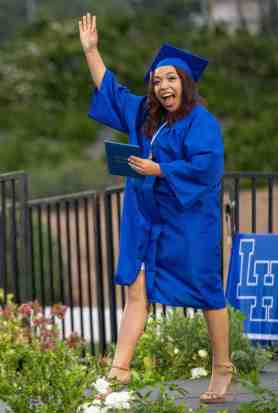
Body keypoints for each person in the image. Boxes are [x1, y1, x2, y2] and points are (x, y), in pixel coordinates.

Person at [79, 14, 233, 403]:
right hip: (144, 218)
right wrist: (92, 51)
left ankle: (222, 367)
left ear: (186, 83)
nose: (163, 85)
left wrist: (161, 168)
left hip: (188, 220)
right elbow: (110, 89)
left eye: (171, 78)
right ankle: (120, 370)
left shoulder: (202, 122)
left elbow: (209, 165)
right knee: (136, 289)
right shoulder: (145, 116)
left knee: (207, 291)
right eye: (157, 79)